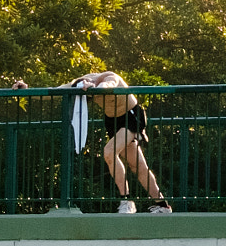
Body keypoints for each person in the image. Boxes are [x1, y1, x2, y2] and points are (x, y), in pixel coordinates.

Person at [71, 71, 171, 214]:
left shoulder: (109, 77)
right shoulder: (82, 81)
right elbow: (59, 89)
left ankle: (126, 200)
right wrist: (26, 90)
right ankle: (163, 205)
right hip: (113, 122)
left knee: (109, 152)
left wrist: (92, 87)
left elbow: (108, 85)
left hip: (131, 116)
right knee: (137, 165)